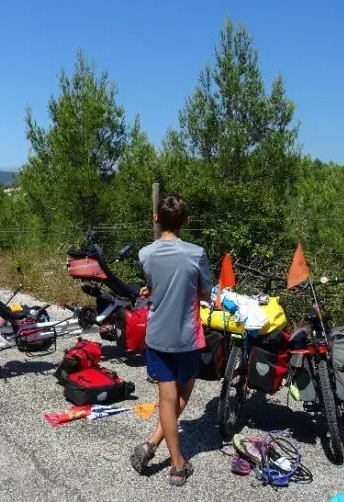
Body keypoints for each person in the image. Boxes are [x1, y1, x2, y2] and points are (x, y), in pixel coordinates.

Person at [130, 195, 212, 486]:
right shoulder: (196, 253)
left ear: (156, 220)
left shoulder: (145, 254)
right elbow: (204, 294)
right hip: (186, 337)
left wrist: (148, 291)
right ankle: (177, 465)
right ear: (185, 222)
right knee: (183, 394)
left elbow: (155, 287)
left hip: (157, 337)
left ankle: (152, 443)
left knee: (166, 398)